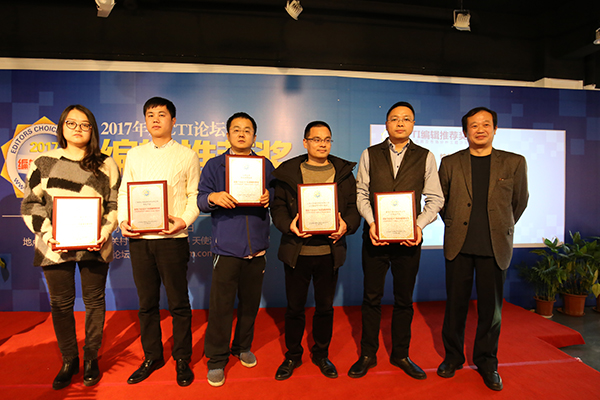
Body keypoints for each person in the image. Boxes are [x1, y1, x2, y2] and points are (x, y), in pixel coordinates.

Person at [21, 105, 120, 390]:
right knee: (61, 304)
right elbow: (31, 204)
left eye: (85, 124)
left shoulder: (106, 163)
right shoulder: (43, 162)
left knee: (94, 302)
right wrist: (48, 232)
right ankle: (69, 359)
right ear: (62, 127)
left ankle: (91, 358)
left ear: (93, 130)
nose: (78, 129)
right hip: (54, 246)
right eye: (72, 123)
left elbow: (114, 203)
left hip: (96, 244)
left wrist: (105, 231)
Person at [349, 101, 444, 380]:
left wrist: (418, 225)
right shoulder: (369, 154)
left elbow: (435, 198)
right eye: (394, 118)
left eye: (406, 119)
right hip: (375, 238)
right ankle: (368, 354)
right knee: (371, 298)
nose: (400, 123)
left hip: (408, 242)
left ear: (413, 124)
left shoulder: (425, 156)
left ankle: (401, 354)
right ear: (386, 124)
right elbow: (361, 194)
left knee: (404, 300)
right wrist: (372, 223)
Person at [437, 107, 528, 391]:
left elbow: (519, 202)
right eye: (474, 125)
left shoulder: (514, 162)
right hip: (459, 244)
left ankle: (487, 362)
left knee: (492, 311)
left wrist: (500, 226)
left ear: (495, 129)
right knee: (455, 306)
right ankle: (453, 357)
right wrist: (457, 224)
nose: (480, 129)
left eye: (486, 124)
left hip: (495, 245)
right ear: (465, 132)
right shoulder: (450, 162)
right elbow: (442, 201)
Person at [118, 97, 199, 387]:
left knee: (178, 303)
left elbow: (194, 195)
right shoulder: (134, 154)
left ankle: (182, 358)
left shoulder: (187, 155)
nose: (155, 119)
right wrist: (123, 220)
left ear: (173, 121)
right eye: (150, 114)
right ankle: (152, 356)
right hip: (140, 240)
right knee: (147, 303)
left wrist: (184, 221)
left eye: (161, 114)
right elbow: (125, 192)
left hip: (172, 239)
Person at [271, 121, 361, 381]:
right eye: (316, 139)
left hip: (329, 253)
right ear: (305, 142)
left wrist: (346, 225)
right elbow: (277, 208)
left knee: (325, 308)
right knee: (294, 308)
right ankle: (292, 355)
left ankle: (321, 354)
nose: (322, 144)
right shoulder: (288, 172)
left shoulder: (343, 173)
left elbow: (354, 208)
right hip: (297, 253)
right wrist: (289, 226)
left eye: (327, 139)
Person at [197, 112, 275, 387]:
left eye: (247, 130)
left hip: (257, 249)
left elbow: (276, 195)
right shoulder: (215, 165)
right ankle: (216, 359)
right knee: (220, 308)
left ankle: (242, 346)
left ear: (254, 136)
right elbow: (200, 200)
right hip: (226, 249)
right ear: (228, 134)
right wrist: (214, 197)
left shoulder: (265, 165)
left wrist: (269, 196)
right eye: (236, 129)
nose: (242, 134)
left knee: (250, 304)